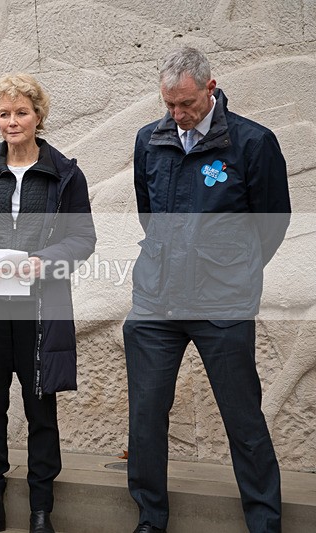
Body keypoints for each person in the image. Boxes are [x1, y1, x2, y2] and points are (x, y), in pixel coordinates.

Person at [124, 47, 291, 533]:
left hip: (222, 304)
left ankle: (264, 523)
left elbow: (272, 224)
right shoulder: (149, 140)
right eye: (169, 104)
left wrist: (230, 269)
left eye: (187, 104)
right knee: (146, 416)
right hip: (156, 302)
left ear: (210, 89)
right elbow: (149, 214)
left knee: (243, 418)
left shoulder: (252, 142)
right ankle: (150, 519)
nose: (177, 114)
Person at [0, 73, 96, 533]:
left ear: (38, 116)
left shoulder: (65, 174)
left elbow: (82, 238)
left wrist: (44, 262)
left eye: (21, 113)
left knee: (40, 412)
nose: (12, 121)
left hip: (40, 311)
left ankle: (41, 509)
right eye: (4, 114)